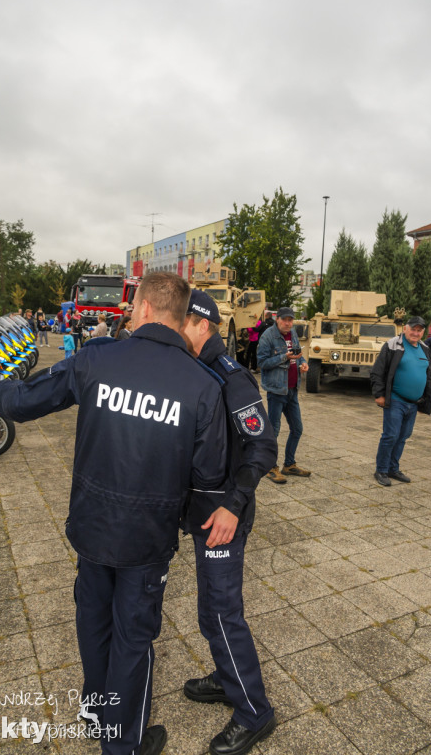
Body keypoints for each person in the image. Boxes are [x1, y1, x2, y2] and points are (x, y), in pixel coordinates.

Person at [0, 272, 228, 755]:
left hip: (92, 528)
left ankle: (103, 718)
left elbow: (29, 400)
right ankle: (122, 739)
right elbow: (208, 475)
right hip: (147, 539)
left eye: (134, 306)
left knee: (94, 620)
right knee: (132, 638)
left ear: (146, 310)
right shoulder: (202, 386)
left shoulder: (97, 358)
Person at [180, 290, 277, 755]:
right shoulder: (192, 367)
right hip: (202, 513)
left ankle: (254, 712)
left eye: (180, 323)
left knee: (222, 612)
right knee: (208, 612)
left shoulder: (231, 377)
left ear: (203, 324)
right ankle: (226, 678)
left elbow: (263, 447)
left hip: (225, 515)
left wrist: (234, 506)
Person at [370, 316, 431, 487]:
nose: (416, 333)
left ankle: (393, 468)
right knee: (390, 435)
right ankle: (381, 470)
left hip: (413, 403)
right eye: (413, 329)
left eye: (419, 330)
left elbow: (428, 376)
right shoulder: (392, 345)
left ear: (423, 332)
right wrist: (379, 394)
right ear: (405, 328)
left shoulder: (425, 348)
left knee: (403, 436)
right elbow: (378, 371)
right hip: (395, 400)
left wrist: (425, 400)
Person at [256, 307, 311, 484]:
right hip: (276, 390)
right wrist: (283, 357)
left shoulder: (293, 333)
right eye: (285, 320)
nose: (288, 323)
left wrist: (303, 363)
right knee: (274, 431)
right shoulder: (268, 336)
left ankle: (289, 464)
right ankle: (271, 467)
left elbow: (297, 354)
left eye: (290, 320)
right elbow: (262, 363)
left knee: (297, 429)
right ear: (277, 319)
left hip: (292, 389)